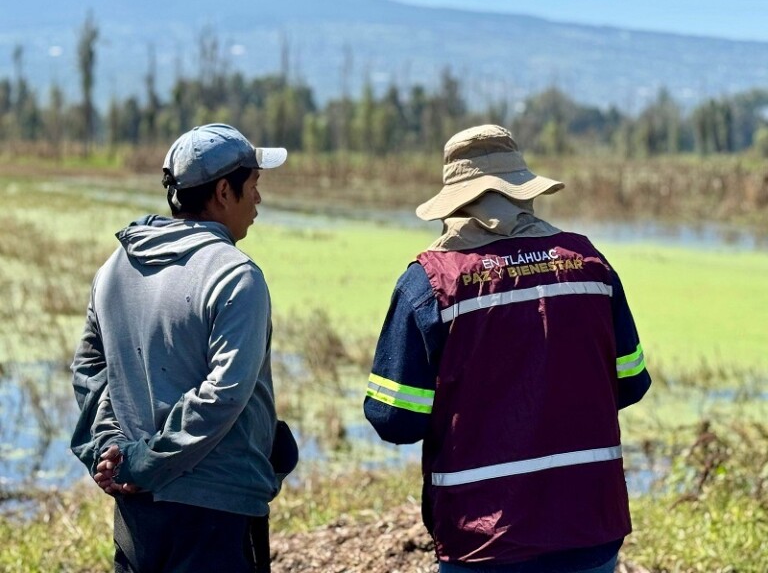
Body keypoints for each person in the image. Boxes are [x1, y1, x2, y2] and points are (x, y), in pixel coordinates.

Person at [364, 124, 651, 573]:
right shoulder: (592, 264)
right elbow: (631, 384)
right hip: (590, 527)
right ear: (525, 193)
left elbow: (395, 418)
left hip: (483, 537)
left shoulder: (430, 282)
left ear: (455, 204)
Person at [70, 123, 297, 573]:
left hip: (138, 511)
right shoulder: (235, 275)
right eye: (252, 186)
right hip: (217, 510)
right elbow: (224, 394)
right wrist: (141, 461)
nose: (258, 199)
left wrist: (112, 452)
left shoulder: (114, 269)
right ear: (223, 192)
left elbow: (90, 370)